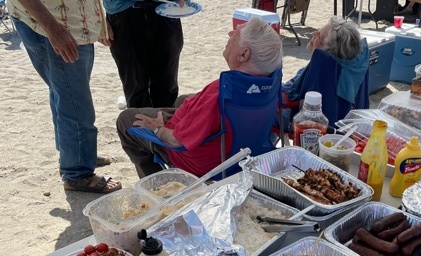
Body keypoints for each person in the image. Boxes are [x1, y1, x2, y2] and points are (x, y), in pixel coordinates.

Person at [116, 18, 282, 178]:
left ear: (244, 54)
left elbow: (176, 141)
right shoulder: (270, 84)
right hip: (237, 149)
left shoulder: (220, 94)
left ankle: (158, 184)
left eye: (236, 34)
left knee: (126, 119)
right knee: (182, 100)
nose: (230, 33)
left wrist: (157, 129)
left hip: (202, 163)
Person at [7, 0, 122, 193]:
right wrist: (53, 28)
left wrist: (98, 20)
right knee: (74, 102)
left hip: (70, 24)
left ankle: (76, 156)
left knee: (64, 93)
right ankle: (77, 173)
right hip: (56, 25)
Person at [279, 16, 369, 131]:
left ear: (326, 50)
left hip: (304, 121)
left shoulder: (318, 71)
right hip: (345, 124)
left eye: (319, 36)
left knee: (263, 111)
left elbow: (286, 96)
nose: (313, 33)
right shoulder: (350, 68)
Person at [103, 0, 184, 108]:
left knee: (167, 88)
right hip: (123, 11)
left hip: (166, 9)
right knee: (136, 91)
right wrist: (98, 18)